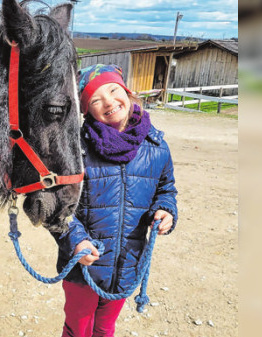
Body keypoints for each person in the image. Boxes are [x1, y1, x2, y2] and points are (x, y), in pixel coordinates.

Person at [54, 64, 178, 337]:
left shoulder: (156, 146)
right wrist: (75, 240)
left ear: (127, 91)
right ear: (86, 110)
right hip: (82, 266)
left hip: (126, 263)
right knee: (79, 328)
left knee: (105, 327)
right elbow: (57, 207)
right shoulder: (75, 150)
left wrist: (166, 210)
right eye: (95, 99)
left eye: (112, 90)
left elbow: (166, 189)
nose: (108, 101)